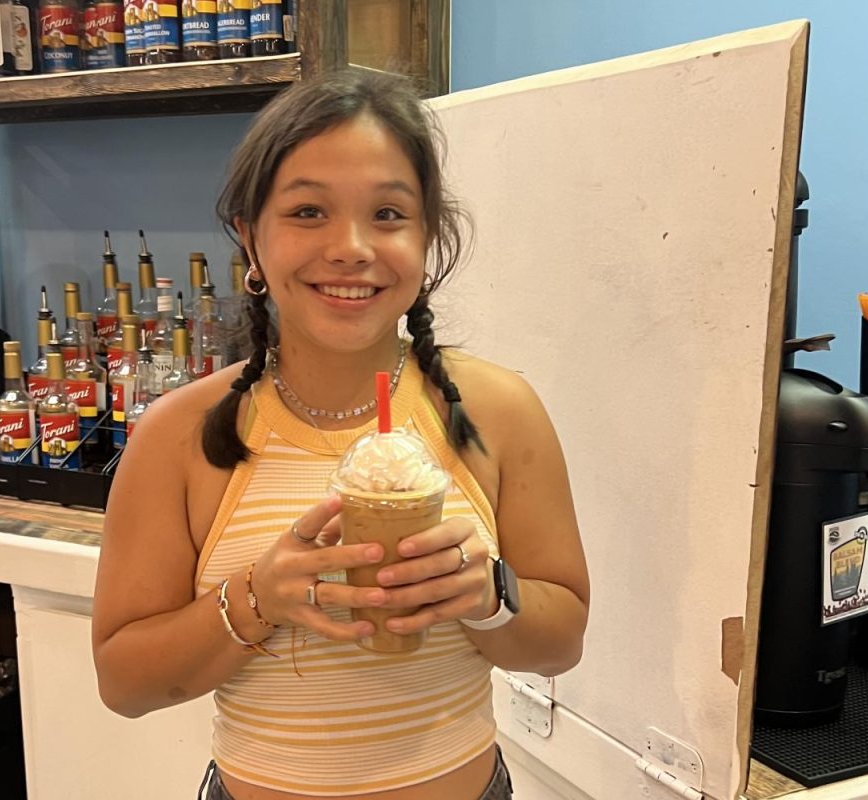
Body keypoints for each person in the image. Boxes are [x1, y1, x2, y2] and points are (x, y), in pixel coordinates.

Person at [92, 69, 590, 800]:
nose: (352, 247)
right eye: (307, 212)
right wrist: (255, 598)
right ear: (249, 237)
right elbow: (125, 683)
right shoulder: (179, 436)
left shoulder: (500, 411)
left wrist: (486, 593)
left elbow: (563, 640)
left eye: (389, 213)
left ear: (428, 236)